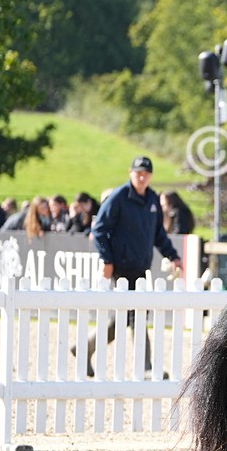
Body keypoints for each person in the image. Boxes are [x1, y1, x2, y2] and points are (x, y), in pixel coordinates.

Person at [75, 156, 182, 378]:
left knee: (126, 317)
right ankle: (146, 367)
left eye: (145, 173)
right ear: (130, 173)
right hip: (121, 268)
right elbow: (99, 231)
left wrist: (173, 255)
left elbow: (158, 235)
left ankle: (86, 348)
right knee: (138, 315)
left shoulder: (152, 199)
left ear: (151, 175)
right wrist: (107, 261)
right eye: (138, 172)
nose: (141, 176)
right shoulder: (118, 198)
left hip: (140, 267)